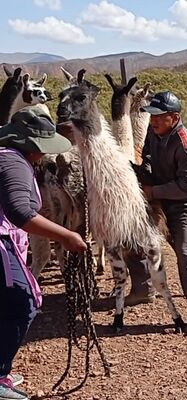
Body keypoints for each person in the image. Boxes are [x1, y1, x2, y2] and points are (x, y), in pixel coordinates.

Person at [0, 105, 87, 400]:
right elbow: (20, 212)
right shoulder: (15, 165)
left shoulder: (6, 158)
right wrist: (66, 236)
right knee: (22, 303)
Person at [125, 91, 187, 336]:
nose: (153, 120)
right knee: (131, 237)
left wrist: (153, 191)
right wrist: (143, 173)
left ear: (174, 118)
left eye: (159, 116)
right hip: (157, 198)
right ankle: (142, 290)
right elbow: (149, 156)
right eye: (152, 116)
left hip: (183, 206)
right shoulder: (155, 131)